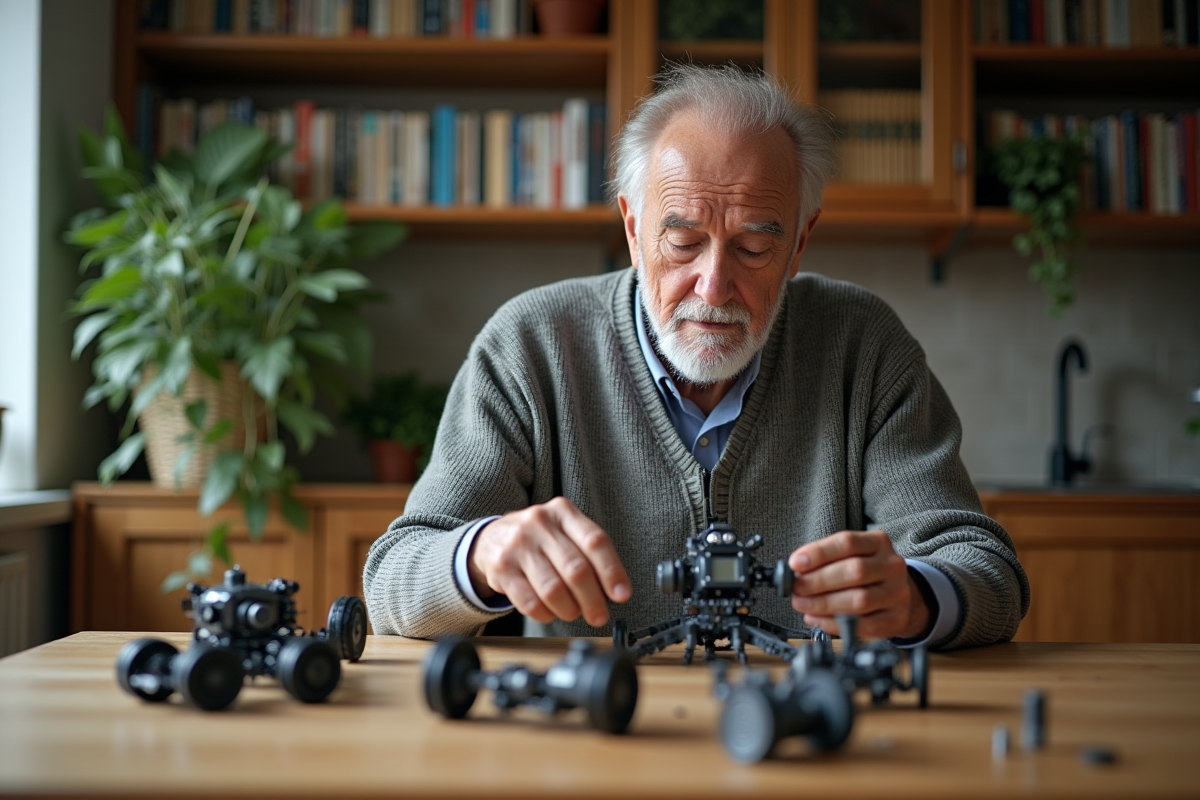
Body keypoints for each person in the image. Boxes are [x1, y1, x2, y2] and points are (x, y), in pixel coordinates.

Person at [364, 64, 1029, 650]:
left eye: (753, 248)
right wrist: (480, 553)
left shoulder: (864, 346)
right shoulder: (531, 345)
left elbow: (987, 570)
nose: (713, 287)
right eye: (682, 244)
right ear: (632, 227)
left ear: (800, 242)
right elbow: (393, 577)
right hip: (601, 740)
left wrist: (917, 598)